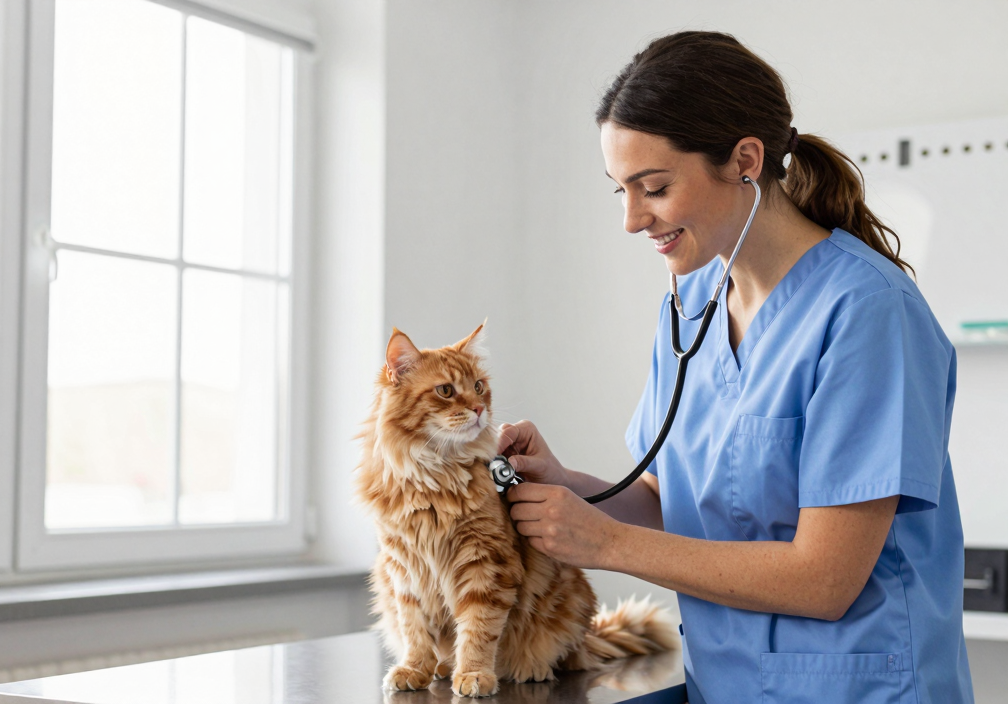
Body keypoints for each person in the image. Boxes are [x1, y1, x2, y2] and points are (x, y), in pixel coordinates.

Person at [498, 31, 973, 704]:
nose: (633, 220)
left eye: (654, 187)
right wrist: (570, 486)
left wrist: (602, 543)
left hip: (860, 689)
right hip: (725, 684)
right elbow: (684, 507)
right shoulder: (691, 305)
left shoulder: (867, 312)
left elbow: (825, 579)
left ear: (746, 160)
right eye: (621, 193)